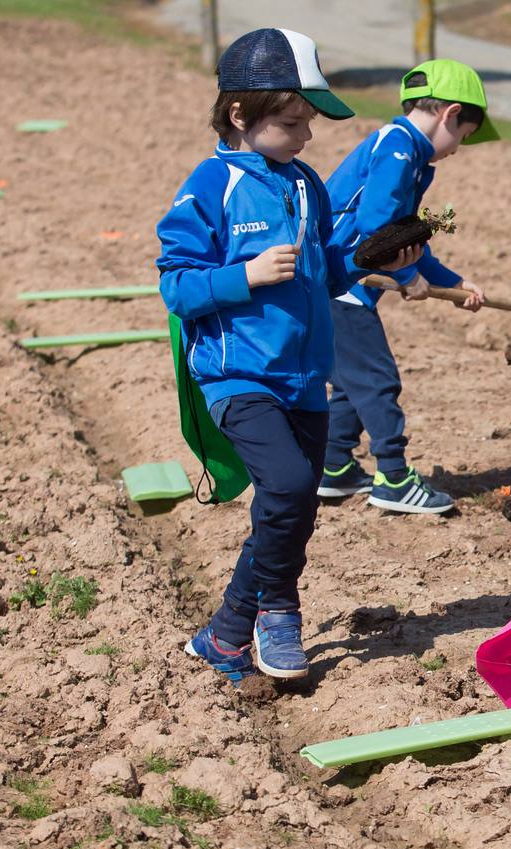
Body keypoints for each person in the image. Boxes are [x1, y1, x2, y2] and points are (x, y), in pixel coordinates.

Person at [159, 28, 423, 683]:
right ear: (241, 114)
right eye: (290, 122)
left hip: (305, 375)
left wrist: (366, 260)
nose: (305, 137)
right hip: (237, 375)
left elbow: (322, 272)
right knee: (286, 486)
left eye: (307, 123)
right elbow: (175, 283)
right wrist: (242, 276)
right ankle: (279, 612)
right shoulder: (211, 183)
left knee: (293, 507)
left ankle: (225, 634)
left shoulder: (306, 183)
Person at [315, 60, 500, 514]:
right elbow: (377, 225)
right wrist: (407, 277)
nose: (458, 148)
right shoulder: (398, 149)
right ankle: (394, 478)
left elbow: (404, 238)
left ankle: (334, 468)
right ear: (449, 114)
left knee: (352, 383)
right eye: (464, 135)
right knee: (378, 380)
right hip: (339, 282)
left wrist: (452, 283)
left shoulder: (410, 155)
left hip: (341, 286)